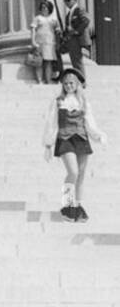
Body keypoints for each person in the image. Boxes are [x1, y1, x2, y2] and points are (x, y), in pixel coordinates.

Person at [43, 66, 105, 222]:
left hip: (82, 139)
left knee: (81, 176)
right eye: (66, 84)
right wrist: (48, 144)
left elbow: (89, 122)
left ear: (77, 84)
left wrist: (98, 136)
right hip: (64, 138)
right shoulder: (58, 102)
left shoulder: (83, 101)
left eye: (71, 83)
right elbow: (51, 123)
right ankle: (67, 205)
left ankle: (77, 206)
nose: (69, 86)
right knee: (73, 172)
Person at [60, 0, 93, 78]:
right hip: (71, 39)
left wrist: (76, 31)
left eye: (68, 0)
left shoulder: (79, 9)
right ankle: (79, 78)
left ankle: (82, 79)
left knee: (77, 60)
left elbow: (86, 20)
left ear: (74, 0)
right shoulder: (69, 13)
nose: (66, 3)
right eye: (65, 1)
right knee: (74, 59)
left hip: (77, 38)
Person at [30, 1, 60, 85]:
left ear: (49, 9)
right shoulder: (37, 18)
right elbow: (33, 30)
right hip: (39, 42)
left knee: (48, 61)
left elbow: (58, 31)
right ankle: (39, 80)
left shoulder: (54, 19)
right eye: (42, 7)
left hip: (50, 42)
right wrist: (33, 41)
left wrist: (57, 42)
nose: (44, 9)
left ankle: (48, 80)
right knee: (38, 61)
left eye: (46, 7)